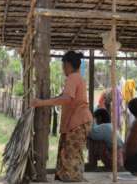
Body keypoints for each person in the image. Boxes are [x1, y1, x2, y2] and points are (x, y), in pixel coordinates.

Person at [31, 51, 93, 182]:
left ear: (69, 65)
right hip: (80, 121)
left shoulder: (73, 78)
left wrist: (42, 103)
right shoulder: (78, 78)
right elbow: (63, 97)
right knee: (73, 153)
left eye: (64, 66)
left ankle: (73, 179)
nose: (63, 69)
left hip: (77, 122)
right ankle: (75, 177)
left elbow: (66, 99)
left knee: (70, 156)